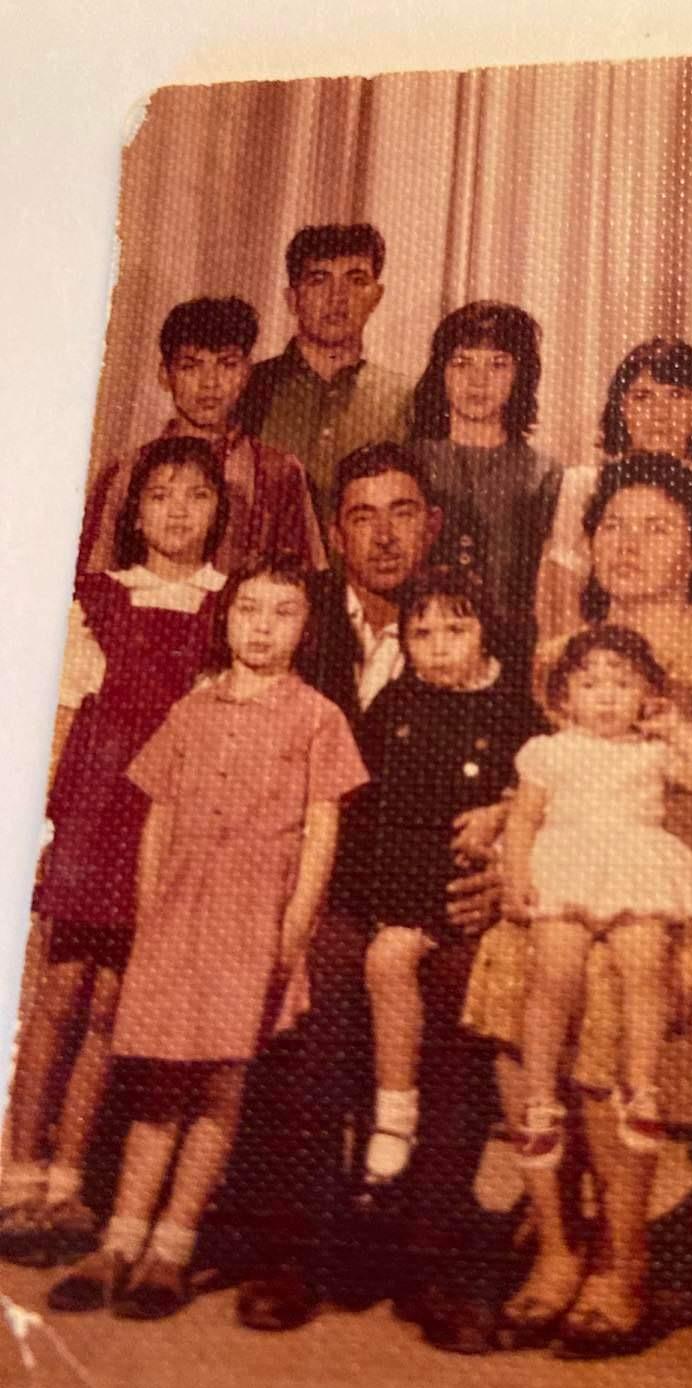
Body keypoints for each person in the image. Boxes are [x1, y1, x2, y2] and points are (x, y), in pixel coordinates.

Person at [465, 452, 692, 1357]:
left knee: (610, 998)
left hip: (679, 899)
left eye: (656, 528)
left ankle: (623, 1259)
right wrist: (505, 836)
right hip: (573, 882)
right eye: (613, 526)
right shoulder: (559, 656)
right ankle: (557, 1246)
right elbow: (549, 785)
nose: (628, 544)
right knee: (511, 963)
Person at [223, 443, 509, 1354]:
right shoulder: (297, 622)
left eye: (403, 512)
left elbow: (538, 765)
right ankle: (298, 1247)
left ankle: (432, 1254)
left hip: (441, 889)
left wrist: (508, 856)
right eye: (361, 515)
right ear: (335, 533)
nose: (384, 535)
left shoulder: (479, 629)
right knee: (324, 974)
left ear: (434, 524)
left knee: (462, 983)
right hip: (319, 881)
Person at [46, 556, 368, 1318]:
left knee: (221, 1083)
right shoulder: (191, 710)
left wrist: (292, 930)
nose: (263, 627)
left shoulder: (318, 717)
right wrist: (151, 912)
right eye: (249, 609)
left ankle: (172, 1248)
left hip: (253, 916)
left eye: (283, 612)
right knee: (159, 1082)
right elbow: (158, 818)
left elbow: (321, 833)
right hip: (180, 913)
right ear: (225, 620)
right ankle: (120, 1241)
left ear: (308, 627)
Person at [0, 436, 229, 1267]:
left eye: (196, 495)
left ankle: (68, 1181)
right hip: (93, 810)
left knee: (113, 1005)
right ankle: (17, 1176)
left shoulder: (226, 605)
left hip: (164, 822)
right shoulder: (95, 597)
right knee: (60, 992)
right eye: (159, 495)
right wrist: (40, 825)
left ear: (219, 511)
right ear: (133, 512)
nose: (177, 511)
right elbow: (61, 718)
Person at [504, 624, 692, 1164]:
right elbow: (523, 819)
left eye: (622, 685)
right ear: (564, 697)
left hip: (634, 869)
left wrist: (677, 728)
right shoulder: (549, 751)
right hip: (566, 865)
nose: (606, 698)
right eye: (590, 685)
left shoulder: (653, 752)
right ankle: (539, 1097)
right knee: (554, 974)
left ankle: (640, 1085)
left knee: (646, 965)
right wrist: (515, 878)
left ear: (648, 695)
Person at [358, 565, 542, 1184]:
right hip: (409, 883)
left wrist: (503, 815)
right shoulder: (395, 704)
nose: (438, 647)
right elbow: (366, 801)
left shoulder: (516, 709)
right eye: (422, 633)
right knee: (386, 959)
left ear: (486, 631)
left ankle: (514, 1156)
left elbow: (547, 789)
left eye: (455, 631)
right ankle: (395, 1109)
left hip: (488, 881)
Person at [80, 297, 325, 575]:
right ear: (165, 375)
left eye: (227, 364)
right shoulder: (125, 472)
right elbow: (91, 579)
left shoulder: (279, 472)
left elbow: (305, 581)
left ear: (246, 372)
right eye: (190, 366)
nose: (210, 383)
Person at [536, 338, 692, 640]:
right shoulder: (583, 486)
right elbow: (561, 591)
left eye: (677, 395)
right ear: (621, 408)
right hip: (596, 649)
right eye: (643, 397)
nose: (660, 412)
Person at [235, 223, 413, 532]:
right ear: (292, 298)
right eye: (319, 280)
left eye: (356, 280)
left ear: (376, 296)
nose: (337, 297)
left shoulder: (405, 398)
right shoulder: (247, 387)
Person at [408, 301, 562, 644]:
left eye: (498, 364)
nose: (478, 381)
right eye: (462, 363)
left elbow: (549, 582)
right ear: (441, 371)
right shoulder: (411, 462)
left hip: (509, 644)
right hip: (423, 639)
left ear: (521, 375)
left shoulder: (544, 473)